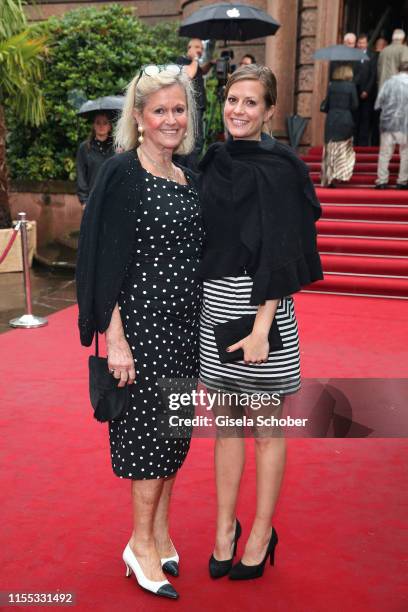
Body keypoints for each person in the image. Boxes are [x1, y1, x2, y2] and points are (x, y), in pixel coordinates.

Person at [76, 64, 203, 599]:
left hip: (184, 331)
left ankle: (160, 533)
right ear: (139, 117)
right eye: (160, 111)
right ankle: (139, 544)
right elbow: (103, 260)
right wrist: (117, 339)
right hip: (142, 331)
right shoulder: (122, 174)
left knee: (175, 437)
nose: (171, 120)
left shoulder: (188, 176)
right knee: (149, 443)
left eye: (179, 110)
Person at [197, 64, 323, 581]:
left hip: (262, 315)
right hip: (216, 310)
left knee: (268, 432)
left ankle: (261, 532)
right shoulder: (214, 160)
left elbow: (284, 249)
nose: (238, 110)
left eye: (251, 102)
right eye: (232, 99)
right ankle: (224, 529)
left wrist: (261, 328)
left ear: (270, 111)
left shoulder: (282, 167)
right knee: (226, 431)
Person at [320, 65, 359, 187]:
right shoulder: (351, 86)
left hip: (331, 119)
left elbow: (326, 105)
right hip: (345, 118)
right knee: (343, 147)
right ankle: (341, 173)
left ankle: (329, 176)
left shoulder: (331, 86)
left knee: (330, 147)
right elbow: (355, 105)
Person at [176, 39, 213, 168]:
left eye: (201, 48)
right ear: (189, 48)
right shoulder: (182, 61)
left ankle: (191, 167)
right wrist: (196, 59)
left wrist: (211, 64)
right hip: (191, 107)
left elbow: (200, 71)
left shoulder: (193, 64)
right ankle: (189, 170)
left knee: (197, 139)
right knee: (195, 140)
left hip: (198, 106)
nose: (200, 50)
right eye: (197, 47)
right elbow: (189, 74)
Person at [375, 61, 408, 190]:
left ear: (398, 69)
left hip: (388, 122)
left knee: (385, 153)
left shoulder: (388, 83)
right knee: (405, 153)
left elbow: (379, 102)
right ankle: (402, 181)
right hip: (405, 123)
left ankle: (381, 181)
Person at [76, 112, 114, 208]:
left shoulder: (118, 148)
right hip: (92, 200)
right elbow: (81, 175)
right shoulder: (84, 148)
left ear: (110, 126)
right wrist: (84, 200)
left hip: (113, 198)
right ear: (93, 125)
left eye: (105, 123)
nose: (101, 126)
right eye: (98, 123)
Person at [354, 33, 376, 146]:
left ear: (367, 43)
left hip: (367, 94)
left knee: (365, 119)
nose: (361, 45)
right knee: (355, 118)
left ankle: (363, 144)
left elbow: (373, 75)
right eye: (359, 42)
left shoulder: (372, 56)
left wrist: (366, 90)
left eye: (363, 42)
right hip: (355, 92)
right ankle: (354, 143)